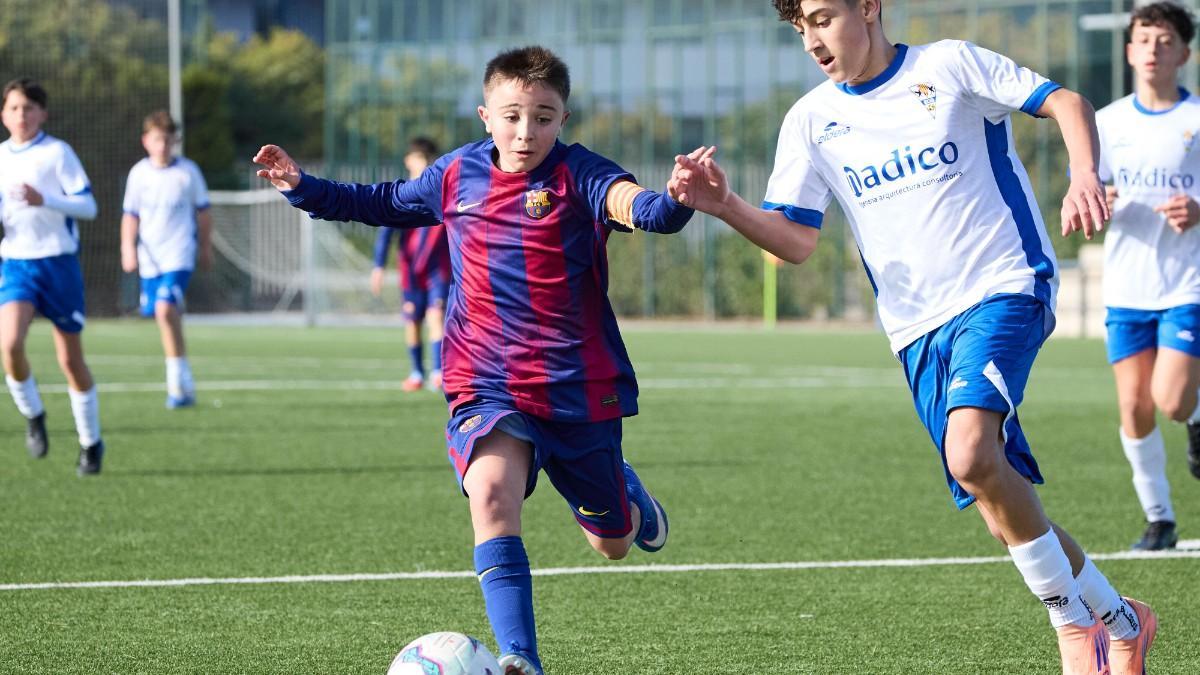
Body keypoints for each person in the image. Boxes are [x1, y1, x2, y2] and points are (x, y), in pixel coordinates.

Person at [669, 1, 1156, 672]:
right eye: (800, 27)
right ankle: (1123, 620)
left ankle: (1074, 625)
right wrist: (724, 205)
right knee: (998, 501)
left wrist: (1082, 173)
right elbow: (796, 241)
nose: (812, 39)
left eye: (822, 17)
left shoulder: (949, 64)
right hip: (915, 328)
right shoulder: (811, 120)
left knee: (969, 452)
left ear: (867, 6)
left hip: (1004, 284)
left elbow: (1067, 101)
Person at [254, 46, 694, 675]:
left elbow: (639, 206)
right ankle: (521, 659)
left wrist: (676, 199)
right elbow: (381, 202)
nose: (526, 131)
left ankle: (624, 492)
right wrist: (302, 186)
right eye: (512, 115)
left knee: (614, 542)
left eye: (543, 118)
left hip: (575, 385)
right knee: (489, 493)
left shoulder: (582, 176)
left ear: (563, 119)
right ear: (484, 114)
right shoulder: (456, 174)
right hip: (485, 381)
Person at [1095, 1, 1200, 552]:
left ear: (1184, 53)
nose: (1152, 49)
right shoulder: (1107, 123)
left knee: (1173, 401)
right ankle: (1159, 520)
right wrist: (1097, 201)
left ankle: (1196, 415)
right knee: (1134, 407)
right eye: (1143, 39)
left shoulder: (1197, 120)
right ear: (1130, 49)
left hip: (1188, 283)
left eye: (1164, 41)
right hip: (1126, 287)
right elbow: (1086, 199)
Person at [0, 78, 105, 475]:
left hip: (58, 265)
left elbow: (89, 207)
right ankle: (33, 414)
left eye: (28, 108)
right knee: (9, 344)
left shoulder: (58, 153)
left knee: (70, 360)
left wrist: (46, 199)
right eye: (14, 108)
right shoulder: (1, 158)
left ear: (42, 113)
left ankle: (90, 443)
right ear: (3, 115)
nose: (21, 115)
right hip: (17, 264)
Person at [120, 110, 212, 409]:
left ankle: (176, 385)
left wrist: (205, 248)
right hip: (151, 258)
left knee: (163, 309)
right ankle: (185, 382)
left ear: (175, 141)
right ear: (146, 141)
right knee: (163, 316)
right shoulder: (139, 174)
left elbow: (204, 212)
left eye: (168, 140)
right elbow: (130, 216)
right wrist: (128, 249)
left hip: (179, 253)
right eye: (158, 139)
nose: (163, 145)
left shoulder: (188, 172)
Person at [369, 137, 450, 392]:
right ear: (408, 161)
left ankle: (438, 372)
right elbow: (386, 234)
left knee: (437, 316)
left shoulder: (443, 194)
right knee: (413, 320)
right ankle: (417, 372)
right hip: (411, 271)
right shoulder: (401, 195)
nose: (423, 165)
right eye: (418, 159)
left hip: (439, 269)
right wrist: (378, 267)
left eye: (428, 160)